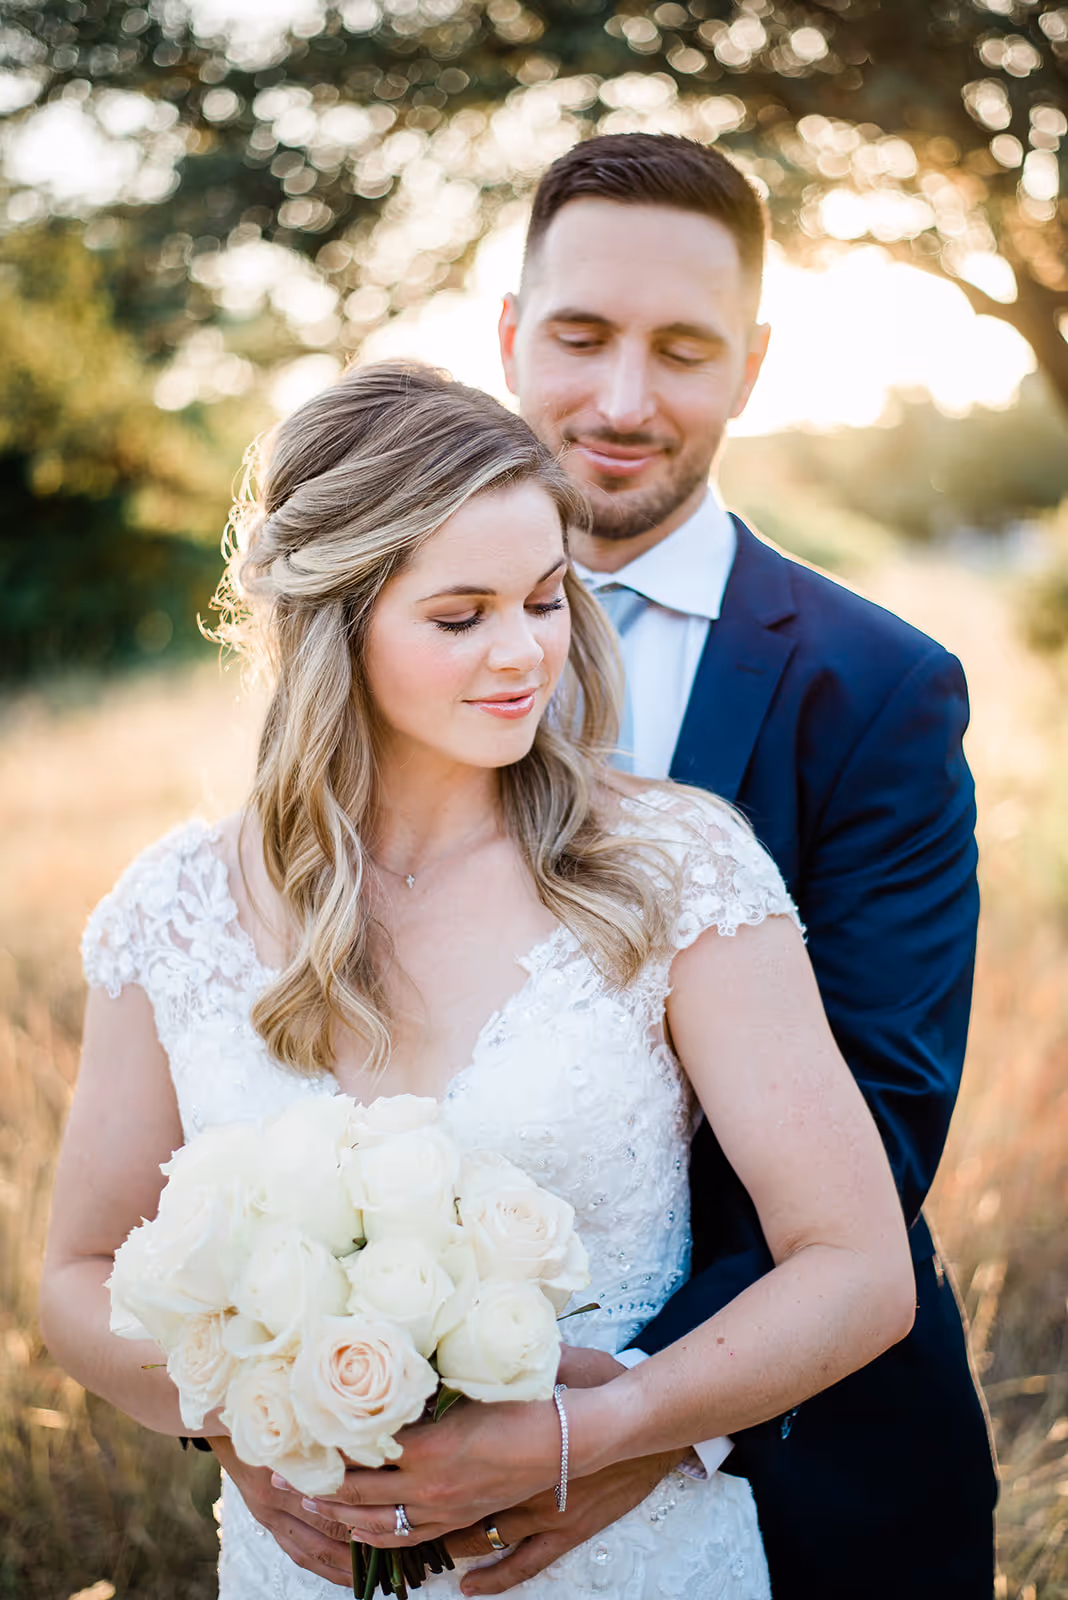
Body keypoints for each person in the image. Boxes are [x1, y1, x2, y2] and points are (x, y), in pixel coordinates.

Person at [251, 137, 998, 1596]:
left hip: (801, 1457)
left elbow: (885, 1111)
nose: (622, 402)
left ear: (754, 365)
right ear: (511, 334)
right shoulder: (356, 652)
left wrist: (624, 1421)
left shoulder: (876, 687)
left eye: (685, 350)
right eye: (583, 336)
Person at [40, 361, 915, 1599]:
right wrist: (244, 1420)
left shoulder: (673, 869)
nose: (525, 654)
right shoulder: (171, 909)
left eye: (547, 599)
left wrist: (600, 1429)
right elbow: (76, 1276)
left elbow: (859, 1266)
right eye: (461, 617)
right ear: (331, 624)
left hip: (631, 1563)